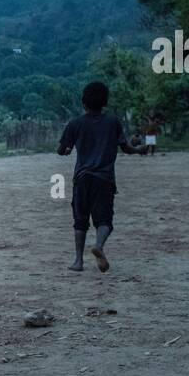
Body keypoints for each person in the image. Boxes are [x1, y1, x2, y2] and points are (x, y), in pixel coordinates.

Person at [57, 81, 141, 272]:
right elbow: (126, 147)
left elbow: (61, 150)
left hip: (82, 178)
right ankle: (99, 246)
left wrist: (67, 149)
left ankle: (78, 261)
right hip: (104, 179)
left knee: (80, 220)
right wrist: (139, 151)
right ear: (105, 102)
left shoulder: (75, 123)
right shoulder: (112, 122)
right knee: (104, 221)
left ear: (83, 103)